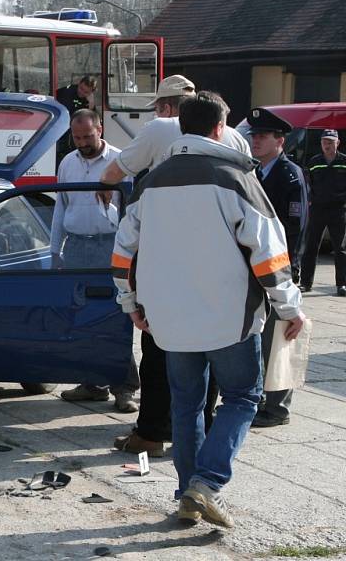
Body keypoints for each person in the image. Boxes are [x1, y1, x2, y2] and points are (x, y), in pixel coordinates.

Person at [112, 91, 305, 529]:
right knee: (242, 397)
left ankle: (187, 494)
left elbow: (122, 252)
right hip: (229, 318)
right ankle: (206, 483)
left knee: (186, 407)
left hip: (169, 319)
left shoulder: (151, 181)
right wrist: (289, 308)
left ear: (182, 127)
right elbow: (269, 254)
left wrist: (130, 303)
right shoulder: (237, 177)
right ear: (220, 128)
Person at [97, 75, 251, 457]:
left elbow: (116, 171)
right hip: (222, 268)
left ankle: (152, 433)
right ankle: (206, 439)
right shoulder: (235, 140)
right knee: (214, 357)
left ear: (169, 108)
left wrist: (103, 186)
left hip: (164, 262)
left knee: (158, 353)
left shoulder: (161, 131)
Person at [50, 109, 139, 413]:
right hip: (76, 247)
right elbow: (60, 209)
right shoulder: (67, 163)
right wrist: (54, 251)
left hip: (110, 247)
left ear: (100, 129)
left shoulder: (121, 161)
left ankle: (124, 388)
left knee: (115, 317)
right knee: (81, 316)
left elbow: (131, 215)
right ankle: (92, 383)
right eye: (77, 137)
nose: (83, 142)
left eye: (88, 136)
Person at [246, 107, 308, 428]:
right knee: (260, 338)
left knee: (279, 341)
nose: (255, 141)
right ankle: (258, 400)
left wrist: (290, 273)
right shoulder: (255, 172)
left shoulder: (289, 175)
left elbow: (295, 229)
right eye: (253, 135)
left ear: (279, 140)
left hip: (280, 268)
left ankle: (278, 408)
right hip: (257, 269)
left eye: (262, 136)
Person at [300, 129, 346, 297]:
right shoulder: (314, 162)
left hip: (338, 210)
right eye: (324, 141)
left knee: (340, 249)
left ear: (337, 143)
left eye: (330, 141)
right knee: (311, 246)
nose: (327, 145)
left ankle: (342, 284)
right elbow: (308, 184)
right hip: (318, 209)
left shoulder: (344, 161)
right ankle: (305, 283)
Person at [56, 76, 98, 161]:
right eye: (81, 88)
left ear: (91, 93)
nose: (81, 92)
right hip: (62, 125)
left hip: (76, 128)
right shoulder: (68, 92)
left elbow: (92, 119)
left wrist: (91, 105)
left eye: (86, 92)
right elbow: (66, 115)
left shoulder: (88, 100)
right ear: (79, 83)